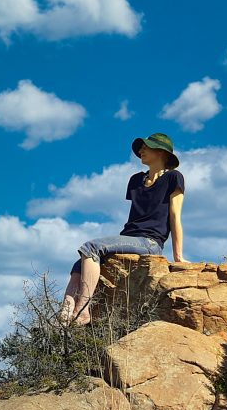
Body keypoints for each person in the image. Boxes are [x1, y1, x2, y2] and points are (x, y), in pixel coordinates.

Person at [58, 132, 185, 325]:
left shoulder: (174, 177)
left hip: (150, 242)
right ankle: (64, 316)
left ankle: (82, 311)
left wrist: (178, 256)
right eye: (141, 147)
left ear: (161, 152)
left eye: (146, 147)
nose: (141, 150)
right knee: (79, 264)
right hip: (130, 238)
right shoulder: (136, 180)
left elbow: (175, 216)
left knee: (91, 248)